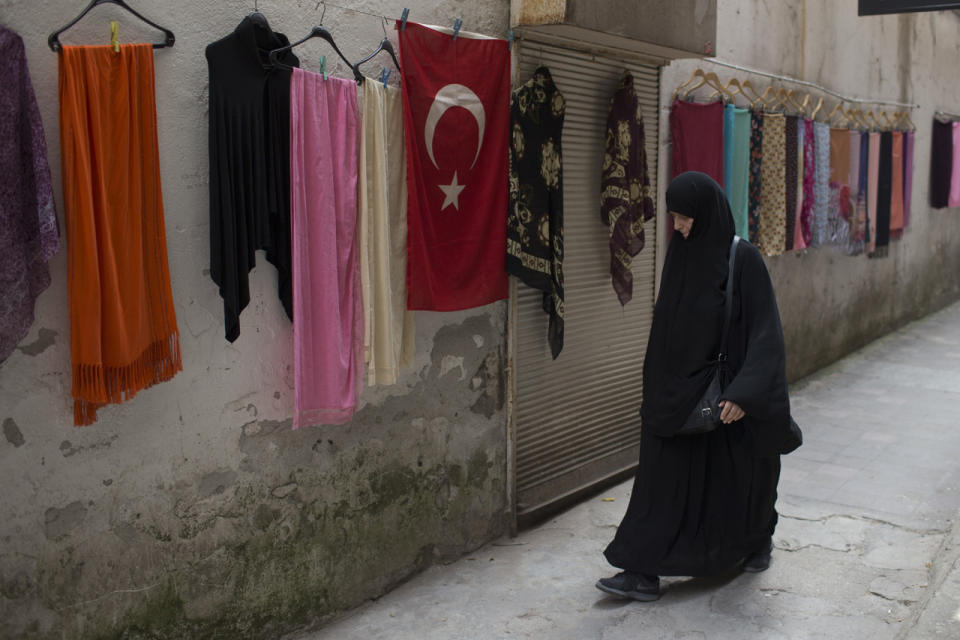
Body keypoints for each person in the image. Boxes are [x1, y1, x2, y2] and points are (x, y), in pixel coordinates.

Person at [597, 171, 801, 602]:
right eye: (674, 217)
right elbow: (668, 325)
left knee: (741, 481)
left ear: (706, 213)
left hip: (726, 399)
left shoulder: (742, 259)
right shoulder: (682, 253)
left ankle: (754, 541)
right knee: (661, 481)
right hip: (676, 396)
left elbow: (767, 333)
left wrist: (745, 393)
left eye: (685, 218)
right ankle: (642, 570)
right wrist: (656, 387)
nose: (679, 227)